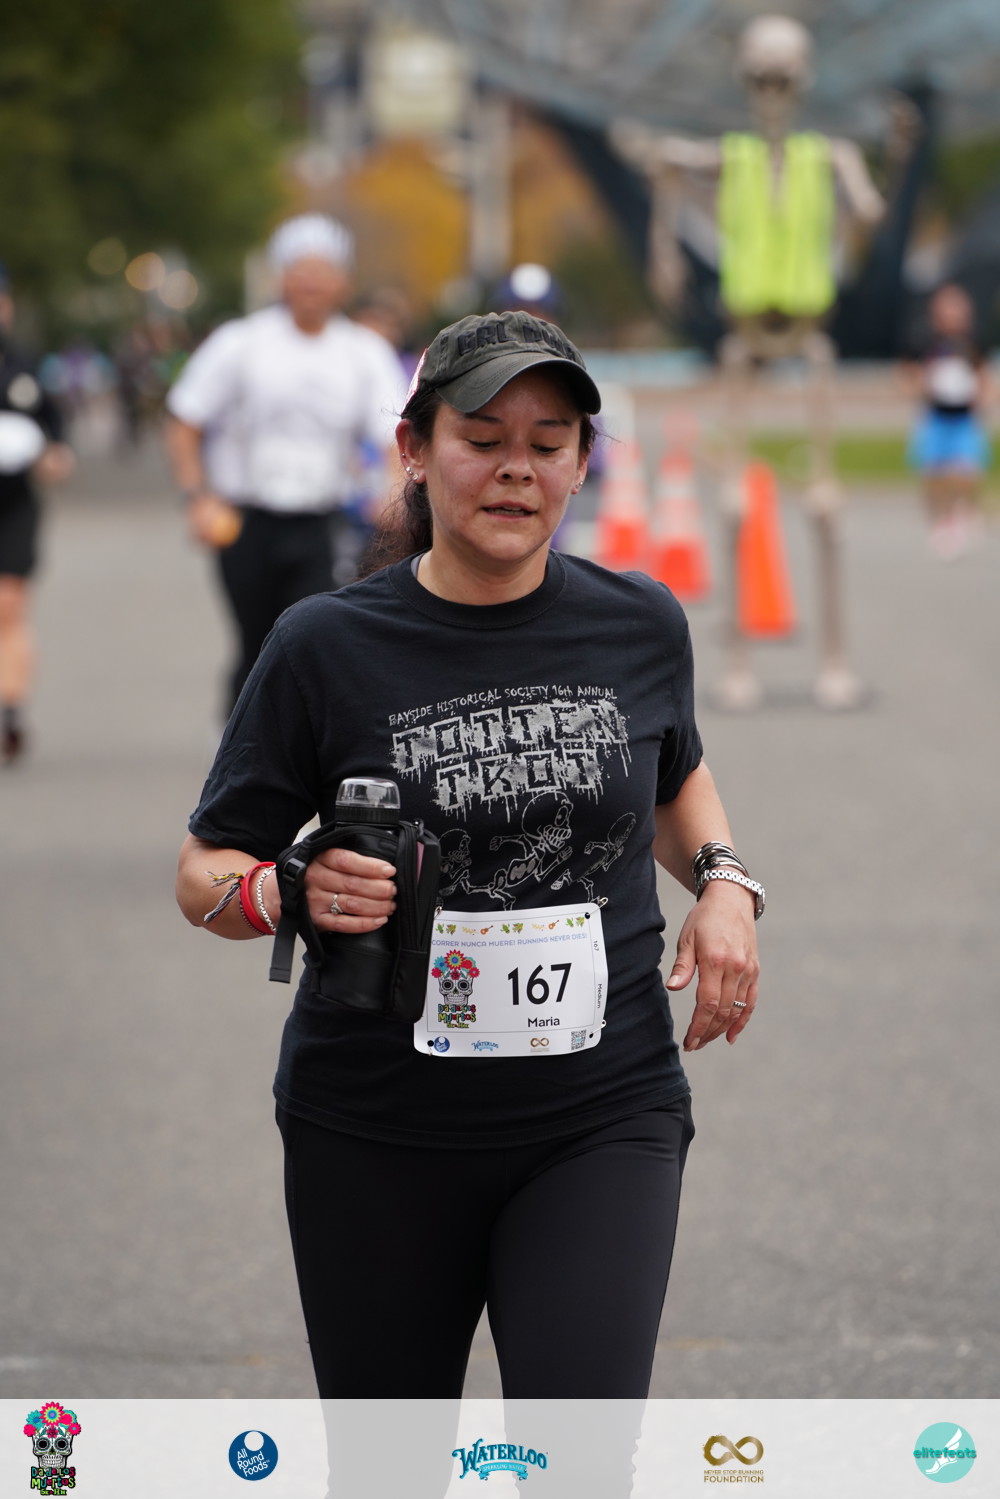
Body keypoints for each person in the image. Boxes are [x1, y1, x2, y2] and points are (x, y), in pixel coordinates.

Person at [175, 310, 762, 1411]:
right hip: (376, 1126)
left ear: (581, 464)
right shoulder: (324, 645)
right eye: (482, 439)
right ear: (414, 448)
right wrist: (285, 887)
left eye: (548, 444)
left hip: (604, 1110)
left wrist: (725, 881)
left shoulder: (639, 621)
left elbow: (673, 773)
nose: (515, 470)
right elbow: (204, 870)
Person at [164, 214, 407, 713]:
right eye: (300, 269)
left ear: (344, 280)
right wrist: (197, 498)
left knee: (311, 636)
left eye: (323, 270)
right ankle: (238, 739)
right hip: (246, 519)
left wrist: (392, 492)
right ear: (280, 276)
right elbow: (185, 420)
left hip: (323, 521)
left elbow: (394, 436)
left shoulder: (363, 352)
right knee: (255, 641)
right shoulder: (240, 342)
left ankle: (304, 745)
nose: (311, 281)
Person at [0, 269, 75, 764]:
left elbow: (55, 426)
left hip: (15, 503)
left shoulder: (25, 366)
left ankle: (10, 712)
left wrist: (55, 453)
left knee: (9, 604)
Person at [905, 283, 991, 559]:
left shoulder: (973, 342)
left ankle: (961, 512)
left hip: (963, 417)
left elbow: (982, 375)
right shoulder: (925, 341)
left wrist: (983, 396)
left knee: (965, 470)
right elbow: (909, 373)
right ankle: (941, 521)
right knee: (935, 473)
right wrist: (921, 386)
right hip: (936, 415)